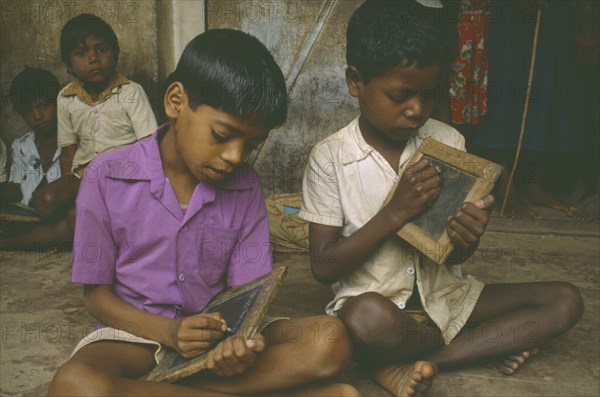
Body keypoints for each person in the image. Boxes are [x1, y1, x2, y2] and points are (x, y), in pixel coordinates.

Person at [48, 29, 358, 397]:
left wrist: (234, 345)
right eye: (223, 134)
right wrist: (170, 334)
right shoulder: (104, 175)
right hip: (136, 337)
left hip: (219, 336)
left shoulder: (245, 186)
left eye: (251, 145)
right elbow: (96, 297)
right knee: (74, 385)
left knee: (330, 338)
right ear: (177, 101)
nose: (235, 156)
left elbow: (246, 294)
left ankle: (153, 390)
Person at [299, 1, 584, 396]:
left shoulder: (448, 143)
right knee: (365, 318)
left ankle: (422, 361)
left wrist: (467, 238)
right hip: (380, 309)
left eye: (431, 94)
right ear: (355, 81)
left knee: (565, 300)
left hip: (450, 299)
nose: (417, 109)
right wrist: (395, 213)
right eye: (401, 95)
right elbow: (324, 267)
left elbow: (455, 257)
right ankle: (482, 345)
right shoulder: (330, 158)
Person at [56, 13, 157, 201]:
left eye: (102, 49)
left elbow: (149, 144)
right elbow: (68, 148)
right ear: (69, 65)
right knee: (46, 200)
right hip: (83, 175)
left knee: (77, 216)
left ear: (116, 54)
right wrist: (70, 183)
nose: (94, 58)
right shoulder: (65, 97)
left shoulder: (131, 92)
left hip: (122, 175)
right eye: (81, 53)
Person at [1, 67, 73, 249]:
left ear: (58, 101)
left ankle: (11, 243)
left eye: (42, 106)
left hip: (60, 216)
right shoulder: (21, 145)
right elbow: (17, 188)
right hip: (29, 219)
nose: (37, 116)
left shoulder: (73, 141)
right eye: (27, 111)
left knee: (69, 225)